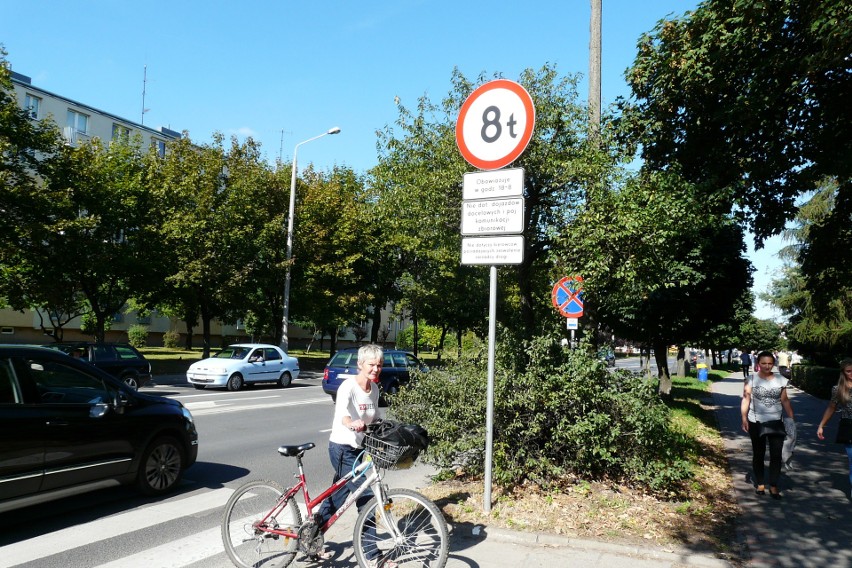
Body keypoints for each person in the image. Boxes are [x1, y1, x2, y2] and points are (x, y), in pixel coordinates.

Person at [316, 344, 395, 568]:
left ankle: (311, 533)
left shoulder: (375, 389)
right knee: (366, 499)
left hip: (360, 450)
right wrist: (353, 423)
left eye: (379, 365)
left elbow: (376, 418)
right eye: (372, 364)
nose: (376, 369)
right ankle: (372, 555)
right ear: (360, 364)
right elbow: (342, 415)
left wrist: (390, 429)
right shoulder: (348, 387)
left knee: (338, 496)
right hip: (341, 448)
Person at [741, 350, 795, 499]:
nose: (767, 366)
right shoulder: (751, 379)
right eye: (763, 363)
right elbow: (746, 399)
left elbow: (785, 400)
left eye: (770, 363)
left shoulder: (780, 379)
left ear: (774, 364)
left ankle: (773, 485)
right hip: (755, 421)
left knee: (776, 455)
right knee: (758, 454)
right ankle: (760, 483)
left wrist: (791, 419)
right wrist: (744, 418)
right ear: (758, 364)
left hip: (776, 422)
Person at [816, 359, 852, 494]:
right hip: (849, 426)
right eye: (848, 371)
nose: (851, 374)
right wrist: (821, 425)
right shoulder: (838, 389)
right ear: (843, 372)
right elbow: (831, 407)